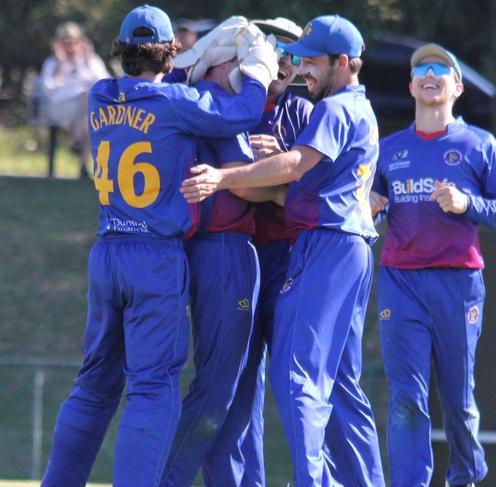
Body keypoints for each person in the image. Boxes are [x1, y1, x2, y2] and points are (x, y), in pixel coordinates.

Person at [40, 6, 273, 486]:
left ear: (120, 52)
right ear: (170, 54)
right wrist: (258, 70)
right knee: (151, 388)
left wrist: (176, 59)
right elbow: (245, 111)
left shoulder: (99, 95)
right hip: (155, 258)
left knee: (93, 386)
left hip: (107, 253)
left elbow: (148, 81)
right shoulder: (176, 103)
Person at [180, 14, 385, 487]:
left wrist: (226, 177)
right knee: (339, 383)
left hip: (322, 246)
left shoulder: (330, 110)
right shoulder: (356, 106)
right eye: (295, 56)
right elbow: (305, 182)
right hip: (342, 247)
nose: (300, 67)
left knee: (299, 382)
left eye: (312, 60)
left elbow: (295, 166)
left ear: (345, 63)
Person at [370, 43, 496, 487]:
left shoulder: (480, 145)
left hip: (458, 283)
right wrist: (373, 205)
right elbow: (368, 208)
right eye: (421, 69)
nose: (429, 74)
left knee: (457, 399)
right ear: (412, 86)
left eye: (441, 68)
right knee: (406, 397)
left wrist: (466, 203)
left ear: (456, 87)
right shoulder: (389, 149)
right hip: (400, 281)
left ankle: (467, 476)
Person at [159, 19, 283, 487]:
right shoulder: (221, 107)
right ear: (227, 62)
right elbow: (248, 187)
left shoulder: (188, 103)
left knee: (231, 387)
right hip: (226, 251)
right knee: (218, 385)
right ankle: (165, 479)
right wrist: (289, 178)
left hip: (193, 251)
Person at [204, 17, 313, 487]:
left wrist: (280, 161)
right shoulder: (231, 105)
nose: (285, 64)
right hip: (239, 257)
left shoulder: (305, 114)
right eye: (277, 51)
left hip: (291, 260)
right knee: (237, 386)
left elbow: (320, 192)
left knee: (301, 384)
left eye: (296, 55)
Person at [40, 21, 109, 177]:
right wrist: (61, 64)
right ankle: (80, 154)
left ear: (81, 43)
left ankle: (77, 144)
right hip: (60, 109)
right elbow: (49, 91)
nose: (71, 47)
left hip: (84, 110)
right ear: (58, 45)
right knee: (87, 108)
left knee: (87, 102)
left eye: (74, 43)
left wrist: (89, 58)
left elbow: (103, 83)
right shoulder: (52, 63)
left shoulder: (92, 61)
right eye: (66, 44)